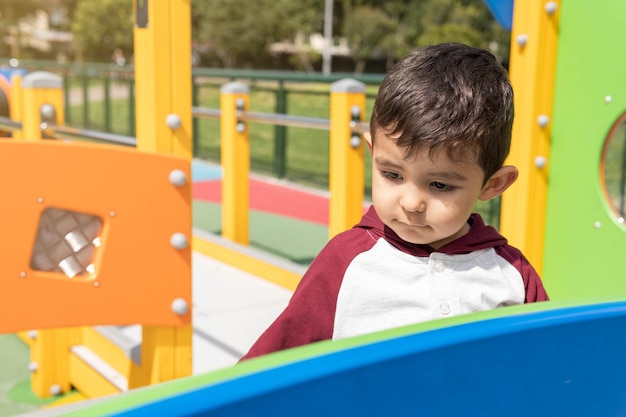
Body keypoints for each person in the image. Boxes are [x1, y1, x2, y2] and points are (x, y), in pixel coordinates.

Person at [240, 43, 549, 360]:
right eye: (392, 175)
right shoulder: (344, 263)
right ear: (373, 154)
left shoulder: (511, 274)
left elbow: (548, 367)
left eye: (440, 185)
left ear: (493, 184)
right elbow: (265, 370)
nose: (412, 203)